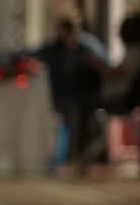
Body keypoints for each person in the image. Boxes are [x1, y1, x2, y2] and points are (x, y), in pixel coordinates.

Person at [34, 19, 103, 162]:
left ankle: (74, 157)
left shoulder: (85, 48)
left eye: (60, 30)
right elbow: (35, 55)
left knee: (76, 127)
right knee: (61, 127)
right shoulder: (52, 49)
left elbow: (100, 65)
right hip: (60, 94)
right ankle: (64, 157)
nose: (58, 34)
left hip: (80, 95)